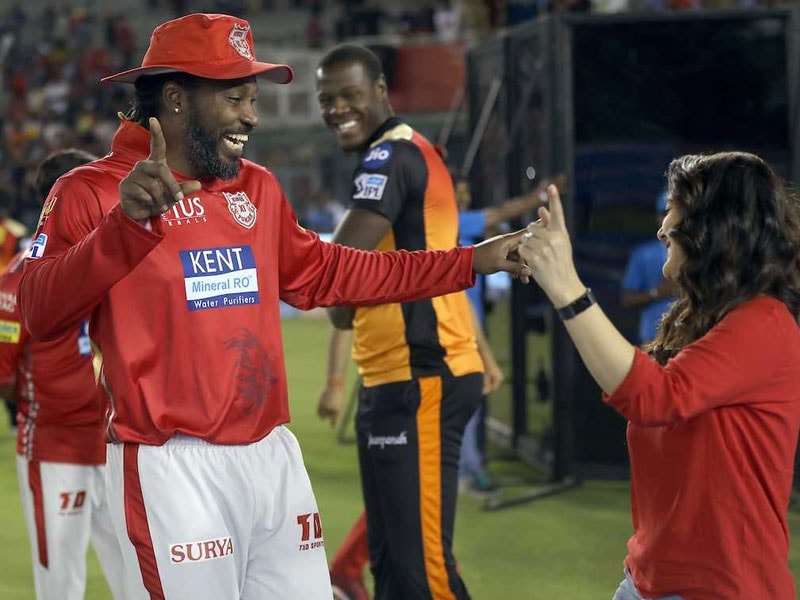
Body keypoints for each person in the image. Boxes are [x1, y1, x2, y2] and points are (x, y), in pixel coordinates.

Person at [17, 14, 531, 600]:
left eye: (253, 99)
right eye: (235, 98)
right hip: (171, 468)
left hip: (272, 457)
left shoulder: (257, 187)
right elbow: (38, 310)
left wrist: (470, 262)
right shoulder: (92, 191)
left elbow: (339, 271)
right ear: (178, 99)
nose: (252, 117)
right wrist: (122, 230)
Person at [517, 151, 800, 600]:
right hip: (648, 582)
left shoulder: (763, 322)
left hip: (722, 589)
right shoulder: (701, 317)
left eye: (674, 209)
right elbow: (644, 390)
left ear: (713, 225)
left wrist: (567, 287)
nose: (662, 226)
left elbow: (654, 398)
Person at [315, 43, 484, 600]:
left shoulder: (391, 156)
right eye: (327, 99)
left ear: (382, 90)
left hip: (422, 379)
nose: (338, 108)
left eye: (351, 94)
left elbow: (334, 281)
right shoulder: (414, 152)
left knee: (422, 574)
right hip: (397, 378)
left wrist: (343, 297)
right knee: (391, 569)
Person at [0, 149, 126, 600]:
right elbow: (5, 375)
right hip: (55, 450)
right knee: (60, 583)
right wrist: (49, 403)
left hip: (117, 446)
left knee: (136, 577)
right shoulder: (16, 284)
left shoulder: (116, 261)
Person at [620, 190, 678, 346]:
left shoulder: (698, 251)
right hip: (653, 339)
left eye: (674, 213)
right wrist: (656, 292)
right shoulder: (643, 254)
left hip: (691, 338)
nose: (668, 219)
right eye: (664, 213)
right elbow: (628, 298)